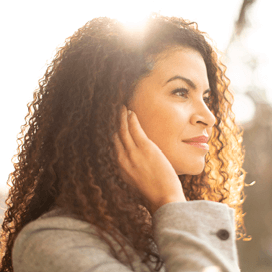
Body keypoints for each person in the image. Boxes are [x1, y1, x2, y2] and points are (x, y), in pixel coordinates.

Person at [0, 14, 248, 272]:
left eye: (206, 98)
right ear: (111, 108)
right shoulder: (52, 243)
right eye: (181, 92)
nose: (209, 117)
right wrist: (170, 200)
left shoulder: (165, 231)